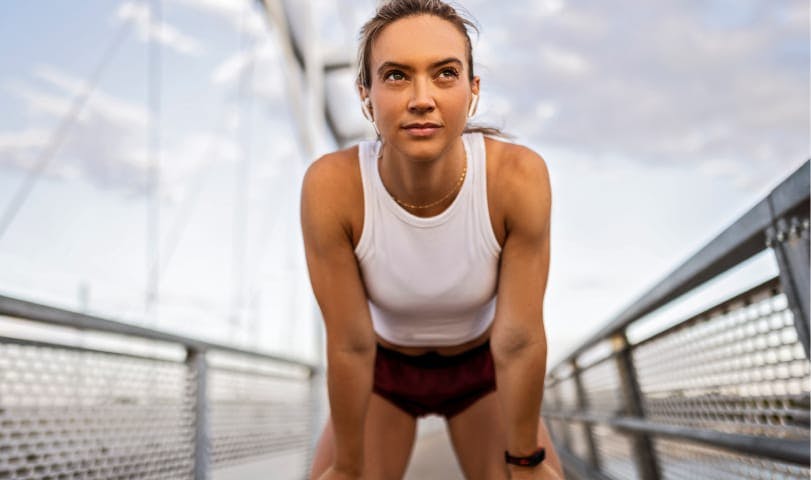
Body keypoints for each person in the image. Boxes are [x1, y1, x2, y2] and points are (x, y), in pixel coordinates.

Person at [301, 1, 563, 479]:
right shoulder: (332, 187)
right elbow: (351, 343)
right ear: (366, 95)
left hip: (482, 372)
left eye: (445, 73)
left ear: (472, 90)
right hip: (383, 372)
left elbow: (519, 339)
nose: (422, 98)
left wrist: (525, 460)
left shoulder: (518, 177)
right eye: (397, 76)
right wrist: (347, 466)